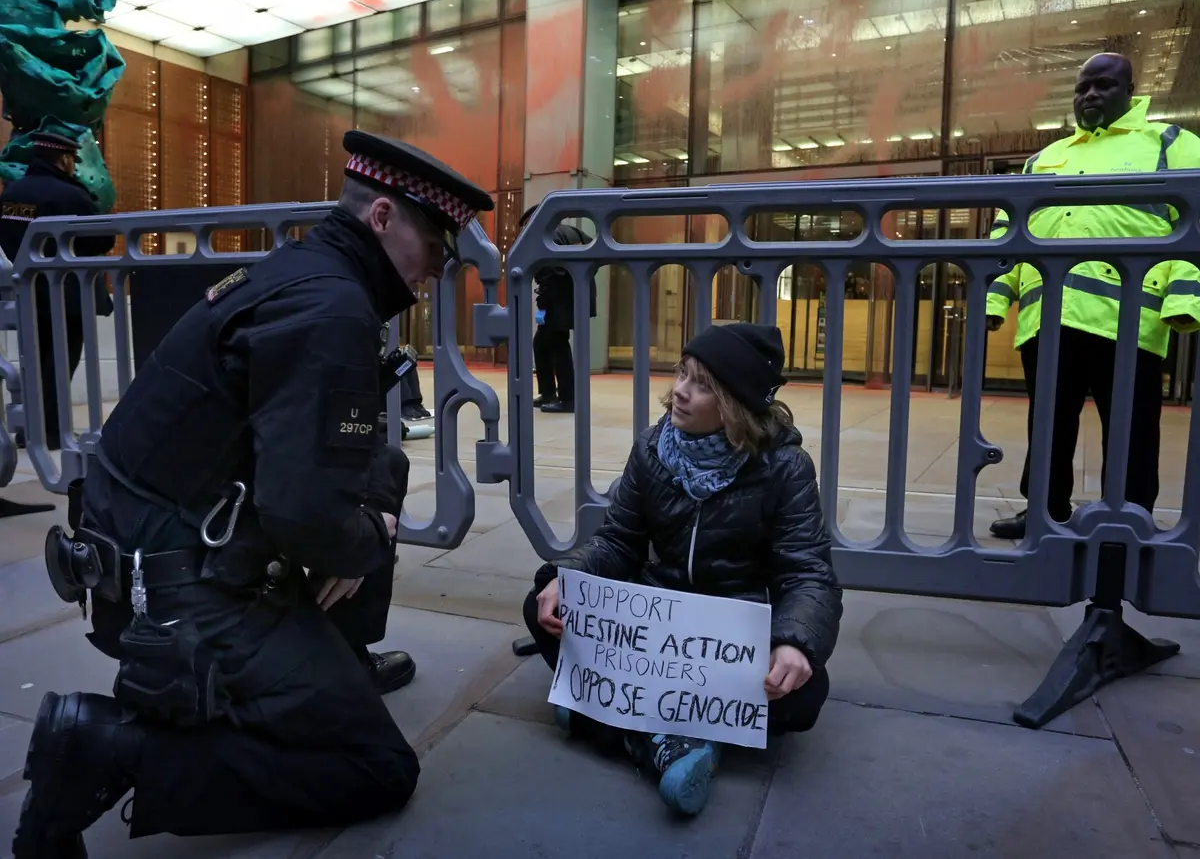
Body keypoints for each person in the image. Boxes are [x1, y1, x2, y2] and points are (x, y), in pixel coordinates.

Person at [13, 131, 495, 857]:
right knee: (377, 768)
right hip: (177, 595)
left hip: (146, 549)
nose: (438, 265)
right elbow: (303, 514)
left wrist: (355, 523)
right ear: (383, 217)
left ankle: (334, 665)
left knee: (381, 468)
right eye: (434, 242)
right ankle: (110, 748)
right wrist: (368, 540)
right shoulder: (330, 309)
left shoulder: (302, 272)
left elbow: (316, 467)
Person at [521, 322, 842, 818]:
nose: (679, 392)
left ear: (734, 403)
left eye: (701, 384)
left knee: (805, 694)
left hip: (730, 637)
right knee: (543, 603)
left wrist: (795, 642)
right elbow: (617, 539)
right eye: (682, 374)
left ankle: (611, 719)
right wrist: (567, 576)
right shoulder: (653, 448)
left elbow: (807, 573)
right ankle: (671, 739)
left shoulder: (785, 468)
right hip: (656, 628)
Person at [985, 52, 1200, 539]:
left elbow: (1195, 222)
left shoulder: (1171, 143)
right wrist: (996, 299)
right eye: (1082, 88)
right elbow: (1010, 231)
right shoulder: (1045, 157)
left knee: (1130, 426)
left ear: (1130, 91)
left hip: (1127, 318)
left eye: (1103, 86)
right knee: (1048, 425)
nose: (1090, 95)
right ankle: (1044, 511)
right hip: (1049, 316)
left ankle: (1129, 517)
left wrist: (1184, 299)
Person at [0, 132, 114, 452]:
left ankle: (29, 431)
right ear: (63, 159)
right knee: (60, 365)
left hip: (27, 290)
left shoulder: (13, 192)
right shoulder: (70, 195)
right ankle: (52, 432)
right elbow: (102, 239)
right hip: (67, 293)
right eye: (72, 161)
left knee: (33, 363)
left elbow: (8, 235)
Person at [519, 203, 597, 414]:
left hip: (559, 299)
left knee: (557, 344)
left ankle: (567, 398)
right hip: (576, 295)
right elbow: (594, 249)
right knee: (543, 342)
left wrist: (544, 300)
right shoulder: (571, 231)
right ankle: (549, 392)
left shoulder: (548, 235)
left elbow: (553, 273)